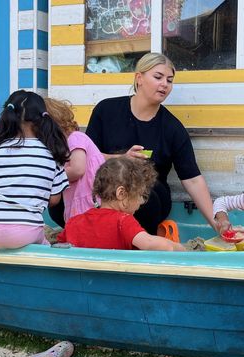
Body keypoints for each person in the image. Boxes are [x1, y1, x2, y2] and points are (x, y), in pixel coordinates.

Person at [85, 52, 215, 235]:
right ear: (139, 78)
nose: (165, 84)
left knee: (145, 197)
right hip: (105, 191)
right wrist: (120, 159)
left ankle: (135, 241)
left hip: (148, 198)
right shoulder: (106, 110)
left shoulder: (172, 128)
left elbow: (192, 179)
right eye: (158, 77)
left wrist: (215, 222)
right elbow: (85, 157)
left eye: (169, 80)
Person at [0, 90, 70, 249]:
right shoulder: (52, 154)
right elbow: (54, 200)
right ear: (43, 118)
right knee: (46, 246)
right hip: (27, 230)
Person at [56, 157, 186, 251]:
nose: (141, 201)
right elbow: (149, 243)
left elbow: (58, 247)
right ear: (121, 193)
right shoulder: (123, 222)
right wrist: (177, 248)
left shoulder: (74, 222)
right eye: (140, 195)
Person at [44, 97, 105, 227]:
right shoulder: (63, 146)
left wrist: (49, 177)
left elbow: (77, 169)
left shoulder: (76, 138)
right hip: (80, 201)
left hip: (91, 200)